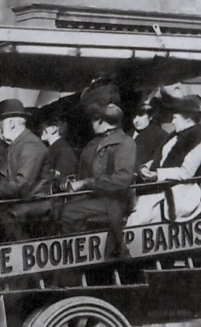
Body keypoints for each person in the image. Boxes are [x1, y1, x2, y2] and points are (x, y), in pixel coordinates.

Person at [60, 94, 136, 257]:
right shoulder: (94, 143)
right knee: (60, 209)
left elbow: (122, 180)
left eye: (95, 119)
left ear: (104, 121)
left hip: (114, 202)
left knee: (69, 212)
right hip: (95, 198)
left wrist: (87, 182)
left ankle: (79, 259)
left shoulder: (125, 143)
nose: (92, 123)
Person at [126, 95, 201, 227]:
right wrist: (147, 167)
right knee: (135, 218)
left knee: (140, 219)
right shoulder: (173, 137)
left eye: (175, 118)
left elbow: (185, 173)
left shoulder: (197, 143)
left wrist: (158, 174)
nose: (173, 122)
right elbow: (161, 159)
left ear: (187, 119)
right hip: (161, 190)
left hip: (179, 194)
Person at [0, 99, 50, 241]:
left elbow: (22, 184)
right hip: (25, 201)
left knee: (2, 218)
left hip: (36, 203)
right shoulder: (18, 144)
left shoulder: (30, 144)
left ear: (10, 123)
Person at [130, 101, 169, 175]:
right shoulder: (128, 136)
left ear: (150, 117)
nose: (136, 120)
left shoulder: (160, 135)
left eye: (141, 115)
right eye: (134, 117)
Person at [39, 113, 77, 184]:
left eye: (46, 126)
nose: (41, 129)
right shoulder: (55, 148)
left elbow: (62, 179)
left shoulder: (63, 150)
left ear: (54, 129)